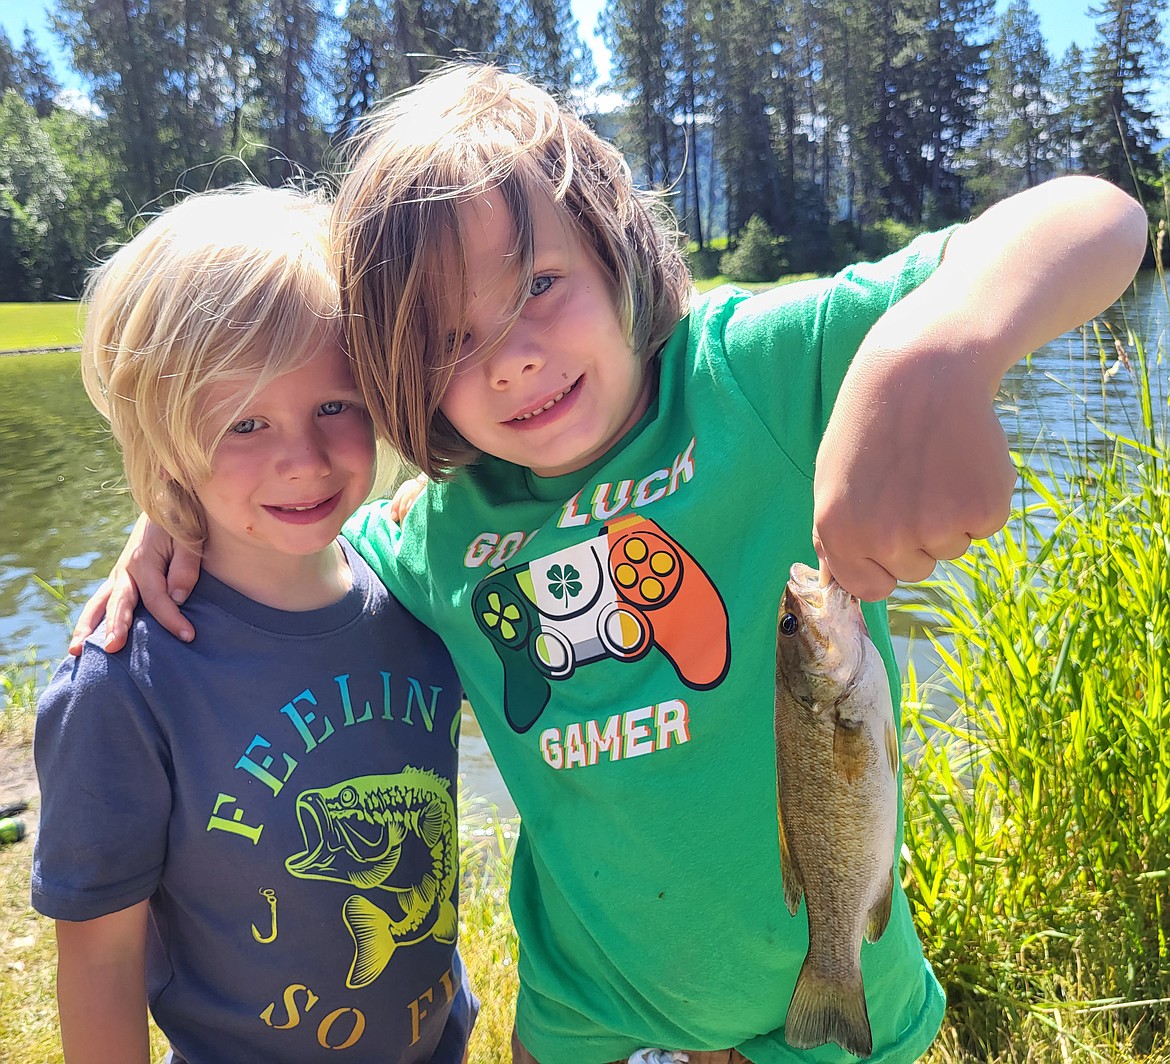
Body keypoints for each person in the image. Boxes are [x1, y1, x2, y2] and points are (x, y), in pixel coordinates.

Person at [74, 66, 1148, 1064]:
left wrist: (940, 345)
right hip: (581, 1011)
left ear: (618, 246)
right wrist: (177, 520)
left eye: (540, 282)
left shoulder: (757, 375)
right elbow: (294, 529)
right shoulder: (438, 532)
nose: (516, 355)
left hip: (831, 1000)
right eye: (451, 341)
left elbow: (1100, 220)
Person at [32, 185, 476, 1064]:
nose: (303, 459)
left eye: (335, 406)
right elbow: (100, 962)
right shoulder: (124, 686)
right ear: (163, 444)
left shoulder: (423, 579)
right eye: (245, 421)